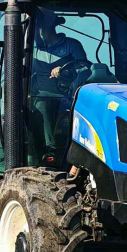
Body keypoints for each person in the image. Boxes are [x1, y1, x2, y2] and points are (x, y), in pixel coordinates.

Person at [29, 10, 91, 165]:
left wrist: (65, 69)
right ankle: (48, 151)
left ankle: (61, 152)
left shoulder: (71, 45)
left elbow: (85, 68)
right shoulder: (34, 49)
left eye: (42, 26)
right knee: (40, 105)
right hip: (41, 95)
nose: (39, 30)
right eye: (38, 26)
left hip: (67, 95)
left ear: (50, 26)